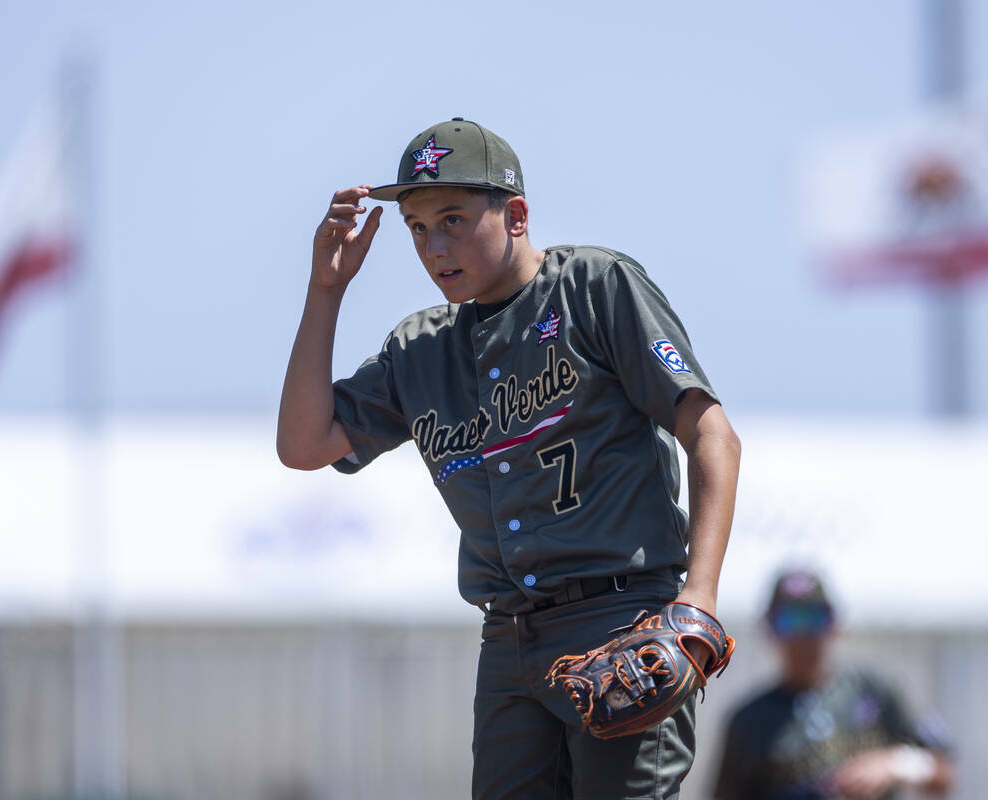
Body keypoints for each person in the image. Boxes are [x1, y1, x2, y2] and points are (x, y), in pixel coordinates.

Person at [277, 118, 741, 800]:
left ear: (516, 214)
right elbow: (302, 445)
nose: (435, 246)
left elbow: (712, 436)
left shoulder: (592, 285)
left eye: (454, 219)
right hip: (509, 642)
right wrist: (326, 291)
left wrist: (696, 601)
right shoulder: (420, 349)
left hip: (620, 618)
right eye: (416, 227)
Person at [712, 569, 955, 800]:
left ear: (834, 623)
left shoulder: (874, 690)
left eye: (815, 618)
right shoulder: (748, 720)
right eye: (789, 620)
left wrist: (895, 764)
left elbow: (944, 772)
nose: (803, 635)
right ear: (769, 628)